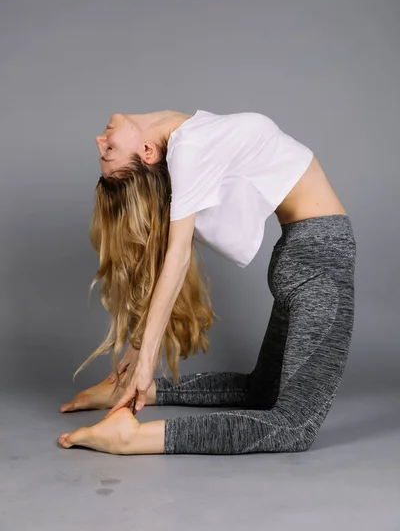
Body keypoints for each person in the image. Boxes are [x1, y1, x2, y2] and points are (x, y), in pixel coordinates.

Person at [58, 109, 356, 455]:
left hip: (302, 254)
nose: (101, 140)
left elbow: (176, 254)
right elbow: (178, 256)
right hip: (321, 261)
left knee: (261, 391)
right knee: (295, 425)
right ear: (147, 151)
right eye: (109, 151)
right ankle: (134, 438)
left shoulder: (191, 138)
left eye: (106, 149)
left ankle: (148, 392)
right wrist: (146, 354)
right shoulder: (191, 146)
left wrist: (142, 357)